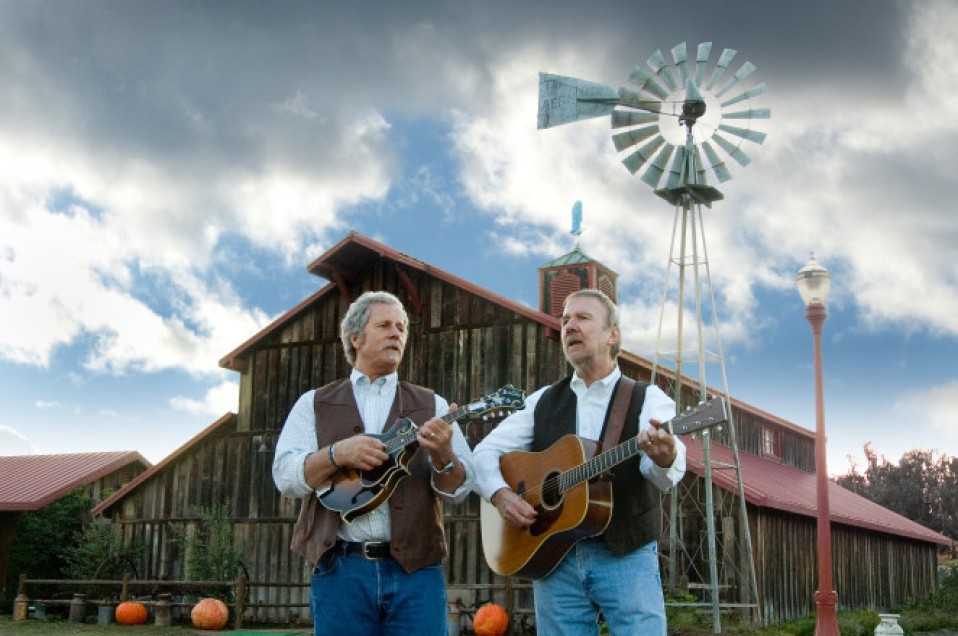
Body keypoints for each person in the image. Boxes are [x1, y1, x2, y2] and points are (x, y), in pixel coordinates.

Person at [473, 289, 686, 636]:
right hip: (555, 556)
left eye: (582, 318)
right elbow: (484, 451)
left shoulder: (649, 398)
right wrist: (499, 494)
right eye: (565, 320)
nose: (570, 326)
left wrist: (666, 457)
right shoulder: (542, 400)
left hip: (625, 554)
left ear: (612, 335)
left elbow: (662, 477)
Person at [273, 290, 476, 636]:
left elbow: (461, 488)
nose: (397, 333)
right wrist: (337, 454)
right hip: (340, 570)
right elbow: (285, 476)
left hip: (417, 572)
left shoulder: (434, 405)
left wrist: (444, 456)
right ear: (355, 338)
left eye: (402, 327)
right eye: (384, 325)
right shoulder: (314, 403)